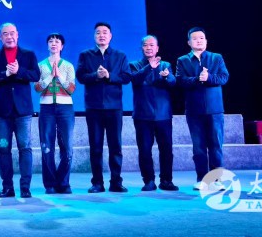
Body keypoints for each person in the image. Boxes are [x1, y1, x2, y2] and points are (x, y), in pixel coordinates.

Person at [0, 23, 40, 198]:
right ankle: (7, 188)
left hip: (23, 112)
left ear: (17, 35)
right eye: (5, 34)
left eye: (12, 33)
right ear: (0, 37)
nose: (9, 37)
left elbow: (36, 75)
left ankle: (25, 188)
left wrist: (19, 71)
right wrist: (5, 74)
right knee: (3, 149)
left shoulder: (28, 54)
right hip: (2, 112)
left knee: (25, 148)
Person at [76, 22, 131, 193]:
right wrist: (96, 75)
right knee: (96, 146)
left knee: (116, 146)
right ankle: (97, 183)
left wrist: (109, 75)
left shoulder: (120, 55)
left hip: (114, 107)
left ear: (110, 36)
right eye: (98, 33)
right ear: (94, 36)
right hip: (93, 107)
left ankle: (116, 182)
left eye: (105, 32)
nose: (101, 35)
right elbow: (80, 77)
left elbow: (126, 77)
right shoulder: (85, 55)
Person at [175, 27, 229, 190]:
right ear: (189, 42)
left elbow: (224, 77)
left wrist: (209, 77)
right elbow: (180, 80)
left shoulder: (216, 57)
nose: (199, 41)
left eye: (201, 38)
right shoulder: (183, 60)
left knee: (215, 146)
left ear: (206, 41)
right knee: (198, 147)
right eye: (195, 38)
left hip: (214, 110)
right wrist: (198, 79)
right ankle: (202, 179)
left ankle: (217, 180)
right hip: (194, 110)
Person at [128, 35, 178, 192]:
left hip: (163, 115)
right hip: (142, 115)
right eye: (145, 45)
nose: (148, 48)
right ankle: (148, 180)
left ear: (157, 48)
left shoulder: (165, 65)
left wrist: (167, 76)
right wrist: (149, 67)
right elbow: (135, 80)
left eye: (151, 45)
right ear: (141, 48)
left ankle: (166, 180)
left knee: (166, 149)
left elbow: (173, 82)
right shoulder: (134, 65)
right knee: (144, 150)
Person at [35, 33, 77, 194]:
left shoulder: (68, 66)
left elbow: (71, 89)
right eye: (51, 41)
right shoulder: (40, 65)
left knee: (67, 147)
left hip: (65, 108)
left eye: (57, 41)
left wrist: (59, 76)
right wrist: (50, 77)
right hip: (46, 108)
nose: (54, 44)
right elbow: (37, 88)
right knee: (47, 146)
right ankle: (50, 184)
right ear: (47, 45)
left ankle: (63, 182)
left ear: (62, 46)